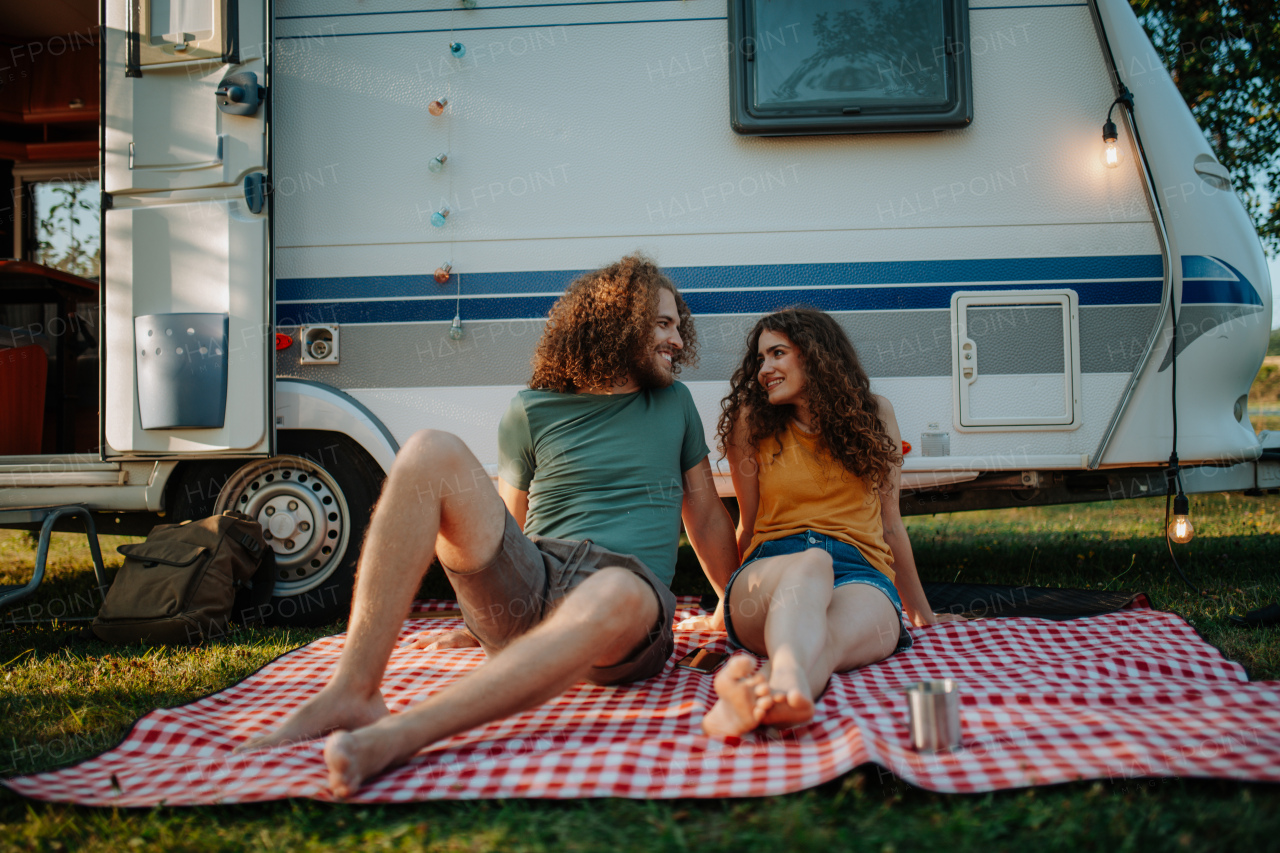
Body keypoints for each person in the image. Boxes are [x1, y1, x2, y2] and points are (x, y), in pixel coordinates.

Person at [238, 255, 739, 795]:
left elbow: (705, 515)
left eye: (676, 325)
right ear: (619, 323)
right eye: (663, 324)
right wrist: (479, 620)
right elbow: (504, 527)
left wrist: (729, 605)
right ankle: (354, 688)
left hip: (626, 596)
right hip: (537, 576)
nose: (678, 340)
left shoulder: (675, 403)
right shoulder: (530, 409)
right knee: (430, 449)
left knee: (617, 588)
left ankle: (403, 736)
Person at [699, 307, 960, 738]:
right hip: (774, 569)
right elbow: (746, 525)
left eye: (777, 354)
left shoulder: (877, 414)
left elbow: (890, 525)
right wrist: (724, 606)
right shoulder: (750, 422)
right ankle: (782, 686)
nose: (764, 369)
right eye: (760, 359)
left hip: (860, 574)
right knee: (812, 563)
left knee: (830, 641)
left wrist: (923, 616)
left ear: (814, 354)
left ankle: (775, 696)